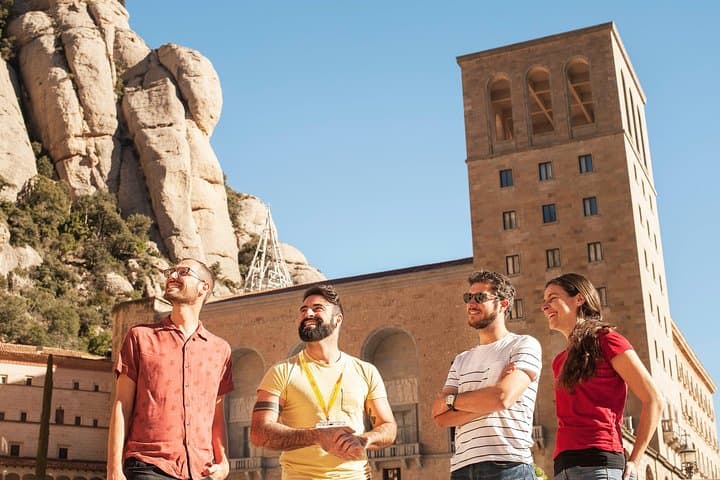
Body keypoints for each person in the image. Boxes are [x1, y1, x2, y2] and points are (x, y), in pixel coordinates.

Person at [250, 284, 397, 479]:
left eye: (317, 308)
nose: (308, 313)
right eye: (303, 310)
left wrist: (363, 440)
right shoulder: (281, 372)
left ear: (338, 319)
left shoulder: (365, 371)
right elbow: (259, 433)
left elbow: (388, 427)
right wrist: (317, 436)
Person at [107, 258, 233, 480]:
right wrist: (114, 469)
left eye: (183, 272)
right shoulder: (140, 337)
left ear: (204, 287)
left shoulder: (220, 350)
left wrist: (223, 462)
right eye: (170, 272)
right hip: (148, 466)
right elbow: (122, 405)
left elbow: (216, 414)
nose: (172, 276)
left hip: (202, 471)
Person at [541, 273, 663, 480]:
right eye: (544, 301)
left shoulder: (607, 340)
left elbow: (654, 400)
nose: (545, 307)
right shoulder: (559, 361)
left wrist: (635, 461)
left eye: (552, 298)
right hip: (563, 466)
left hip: (600, 463)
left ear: (579, 299)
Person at [432, 270, 542, 480]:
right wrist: (487, 401)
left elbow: (501, 397)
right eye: (468, 297)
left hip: (508, 465)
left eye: (480, 297)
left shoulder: (523, 345)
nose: (471, 303)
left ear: (503, 304)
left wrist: (452, 401)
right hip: (462, 469)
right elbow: (440, 417)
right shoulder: (461, 360)